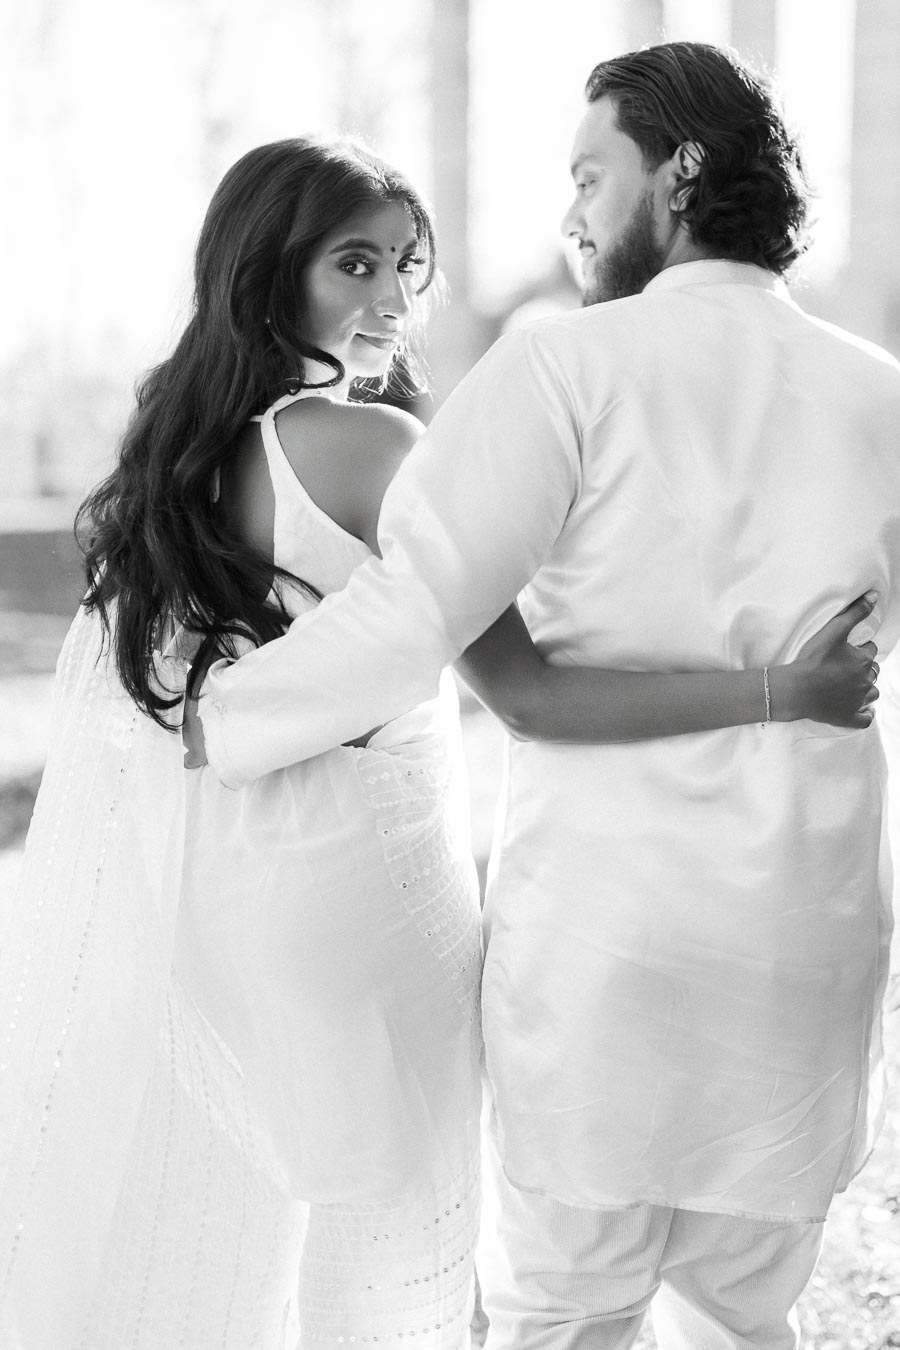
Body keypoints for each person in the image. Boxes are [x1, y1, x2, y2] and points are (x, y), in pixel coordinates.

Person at [0, 136, 878, 1350]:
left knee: (272, 1225)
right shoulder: (371, 450)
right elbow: (530, 693)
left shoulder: (183, 464)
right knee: (394, 1245)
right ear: (268, 274)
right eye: (355, 264)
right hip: (358, 898)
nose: (394, 300)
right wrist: (786, 690)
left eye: (408, 267)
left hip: (229, 891)